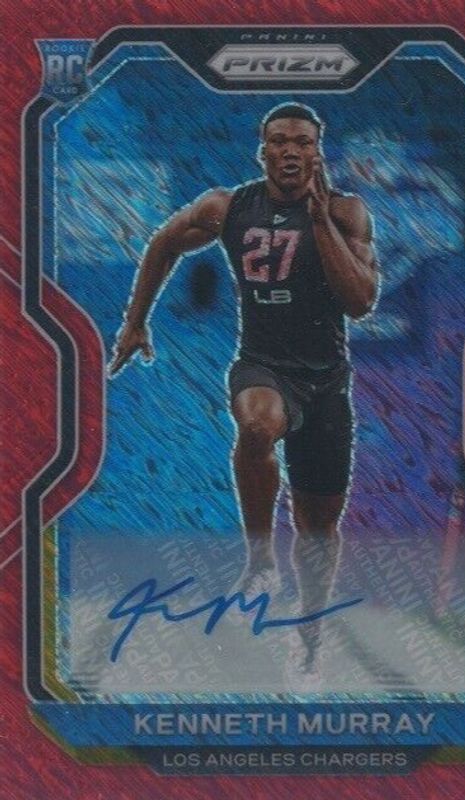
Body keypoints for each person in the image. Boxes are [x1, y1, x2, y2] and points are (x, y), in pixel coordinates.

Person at [109, 103, 378, 677]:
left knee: (318, 529)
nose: (290, 151)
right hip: (262, 365)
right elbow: (163, 243)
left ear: (317, 153)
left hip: (326, 383)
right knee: (257, 423)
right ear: (262, 151)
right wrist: (135, 321)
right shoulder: (228, 207)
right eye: (279, 141)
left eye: (302, 142)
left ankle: (309, 632)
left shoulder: (345, 212)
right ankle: (259, 558)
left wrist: (319, 221)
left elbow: (359, 302)